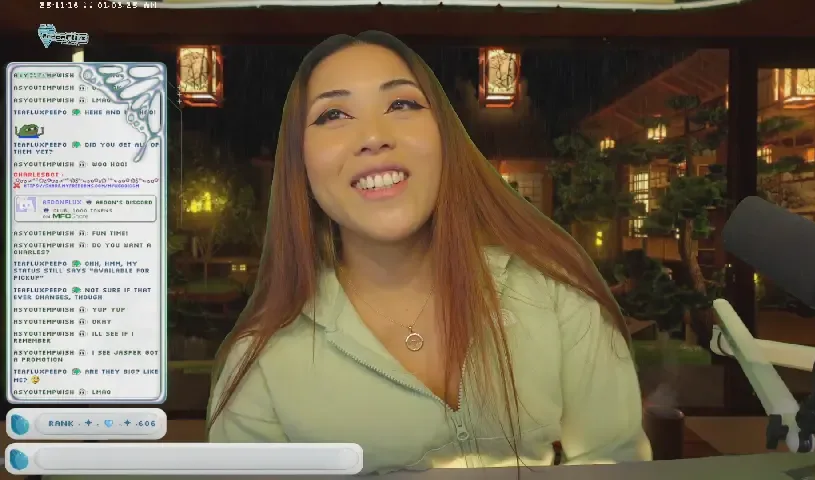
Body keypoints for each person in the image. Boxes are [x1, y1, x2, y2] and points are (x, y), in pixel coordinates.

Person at [207, 31, 652, 474]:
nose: (374, 137)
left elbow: (615, 461)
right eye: (334, 114)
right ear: (299, 163)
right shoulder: (260, 367)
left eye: (401, 104)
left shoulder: (556, 294)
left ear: (445, 137)